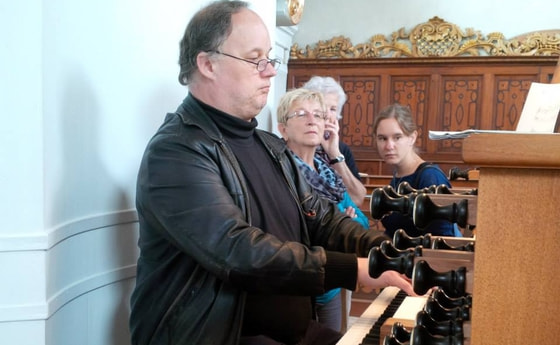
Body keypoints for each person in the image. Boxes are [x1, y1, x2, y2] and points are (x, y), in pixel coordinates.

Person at [129, 2, 415, 345]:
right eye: (255, 59)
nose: (270, 72)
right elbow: (237, 252)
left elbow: (322, 219)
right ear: (207, 64)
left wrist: (383, 250)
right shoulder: (176, 151)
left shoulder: (269, 145)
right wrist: (352, 269)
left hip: (291, 333)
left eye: (269, 58)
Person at [276, 88, 369, 332]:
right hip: (299, 278)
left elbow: (361, 221)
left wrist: (341, 225)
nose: (312, 120)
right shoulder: (279, 170)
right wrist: (340, 224)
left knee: (334, 337)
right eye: (301, 114)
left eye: (318, 115)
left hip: (333, 281)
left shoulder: (326, 171)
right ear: (283, 128)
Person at [373, 103, 462, 238]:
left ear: (412, 138)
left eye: (397, 137)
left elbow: (442, 239)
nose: (389, 146)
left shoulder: (430, 177)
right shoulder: (398, 177)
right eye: (382, 138)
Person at [302, 76, 366, 207]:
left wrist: (334, 154)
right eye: (322, 107)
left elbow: (358, 199)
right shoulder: (296, 145)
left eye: (333, 109)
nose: (328, 115)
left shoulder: (342, 149)